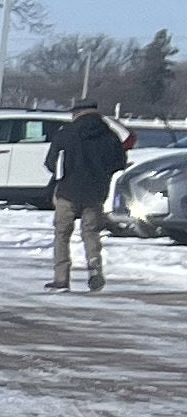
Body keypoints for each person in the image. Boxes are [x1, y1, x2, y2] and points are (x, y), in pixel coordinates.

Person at [48, 104, 128, 292]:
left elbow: (51, 162)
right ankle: (94, 268)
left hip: (68, 191)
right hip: (96, 192)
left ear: (76, 113)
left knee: (62, 234)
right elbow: (119, 163)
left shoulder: (66, 133)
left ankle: (61, 278)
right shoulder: (109, 135)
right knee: (91, 232)